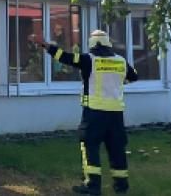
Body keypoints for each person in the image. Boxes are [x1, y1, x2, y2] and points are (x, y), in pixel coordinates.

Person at [33, 29, 138, 195]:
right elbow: (134, 77)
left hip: (94, 113)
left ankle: (93, 186)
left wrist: (46, 45)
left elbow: (65, 57)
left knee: (90, 147)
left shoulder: (89, 59)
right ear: (107, 43)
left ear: (92, 43)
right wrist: (116, 83)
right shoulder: (121, 61)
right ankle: (121, 187)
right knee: (117, 149)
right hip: (116, 115)